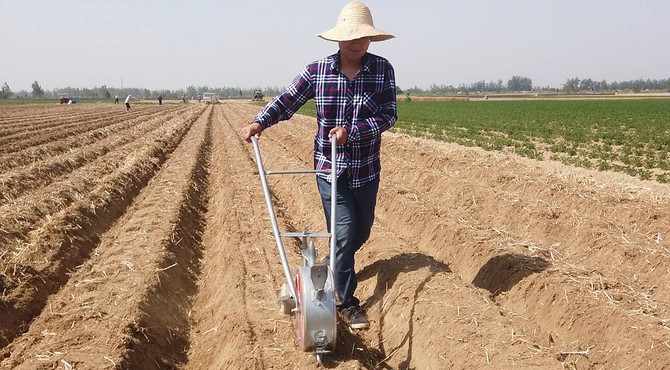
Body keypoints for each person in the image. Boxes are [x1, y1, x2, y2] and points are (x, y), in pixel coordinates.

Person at [240, 1, 396, 330]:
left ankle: (331, 266)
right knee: (342, 233)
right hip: (330, 170)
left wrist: (351, 133)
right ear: (338, 39)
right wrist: (260, 123)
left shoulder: (382, 70)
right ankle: (346, 302)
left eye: (363, 38)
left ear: (371, 39)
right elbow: (287, 100)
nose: (358, 43)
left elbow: (389, 115)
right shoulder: (317, 71)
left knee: (360, 231)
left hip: (366, 167)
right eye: (352, 37)